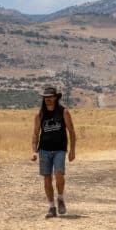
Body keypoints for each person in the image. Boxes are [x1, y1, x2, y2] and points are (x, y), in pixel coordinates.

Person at [31, 86, 76, 218]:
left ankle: (60, 198)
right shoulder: (39, 115)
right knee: (47, 178)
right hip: (44, 150)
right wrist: (34, 151)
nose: (48, 100)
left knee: (59, 174)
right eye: (45, 97)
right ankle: (52, 207)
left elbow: (71, 132)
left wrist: (72, 150)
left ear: (56, 97)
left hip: (59, 150)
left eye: (50, 97)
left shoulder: (64, 112)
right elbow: (35, 134)